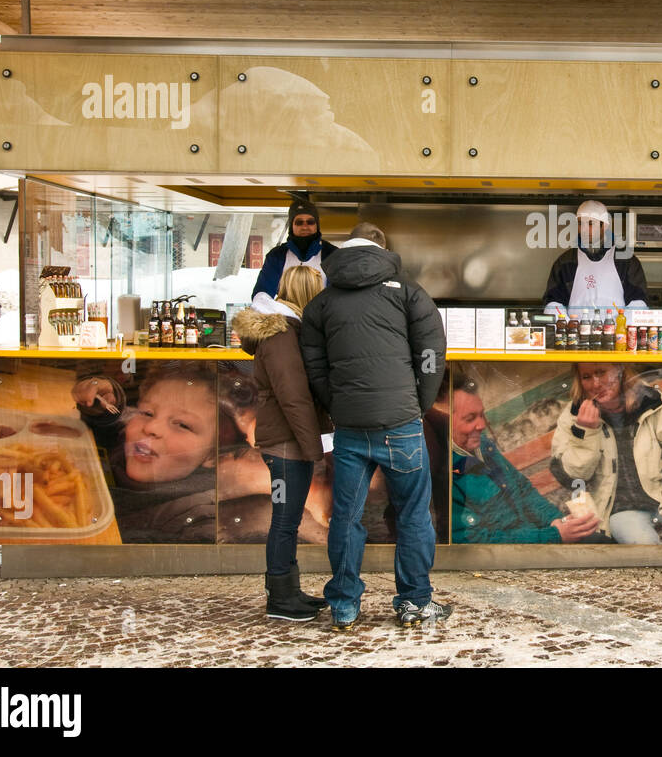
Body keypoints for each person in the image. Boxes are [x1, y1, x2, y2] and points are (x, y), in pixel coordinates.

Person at [300, 221, 449, 630]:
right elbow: (432, 353)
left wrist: (338, 406)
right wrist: (417, 405)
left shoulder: (321, 303)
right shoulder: (409, 293)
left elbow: (315, 368)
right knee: (414, 515)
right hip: (401, 423)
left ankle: (345, 604)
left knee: (346, 517)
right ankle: (415, 601)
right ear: (382, 248)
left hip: (349, 427)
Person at [232, 265, 333, 623]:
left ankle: (289, 591)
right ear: (309, 295)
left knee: (287, 518)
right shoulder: (282, 335)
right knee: (286, 520)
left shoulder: (287, 330)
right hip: (286, 443)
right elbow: (294, 398)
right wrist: (313, 447)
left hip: (288, 440)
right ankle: (280, 598)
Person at [73, 362, 254, 543]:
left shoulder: (198, 519)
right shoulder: (131, 440)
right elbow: (112, 423)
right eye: (148, 413)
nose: (152, 427)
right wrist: (100, 400)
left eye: (182, 425)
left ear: (213, 456)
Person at [446, 375, 602, 544]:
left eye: (482, 415)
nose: (482, 425)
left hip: (536, 537)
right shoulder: (444, 470)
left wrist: (558, 522)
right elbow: (474, 541)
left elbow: (522, 489)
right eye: (470, 419)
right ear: (444, 420)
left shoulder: (482, 445)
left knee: (601, 542)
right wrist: (554, 535)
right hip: (512, 557)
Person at [549, 362, 662, 544]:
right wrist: (586, 432)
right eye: (587, 377)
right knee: (645, 547)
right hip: (621, 509)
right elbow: (575, 477)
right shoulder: (573, 416)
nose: (596, 384)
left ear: (620, 371)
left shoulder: (652, 401)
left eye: (601, 373)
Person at [542, 200, 649, 316]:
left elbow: (638, 303)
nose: (584, 229)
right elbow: (552, 303)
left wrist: (621, 327)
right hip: (575, 332)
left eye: (591, 223)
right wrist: (566, 326)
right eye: (580, 223)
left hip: (617, 332)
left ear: (605, 226)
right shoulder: (565, 262)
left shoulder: (626, 260)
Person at [251, 198, 338, 300]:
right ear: (291, 226)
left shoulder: (332, 254)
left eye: (310, 222)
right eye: (299, 222)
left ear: (317, 225)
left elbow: (338, 296)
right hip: (287, 314)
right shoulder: (277, 256)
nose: (305, 227)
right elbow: (262, 293)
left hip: (322, 314)